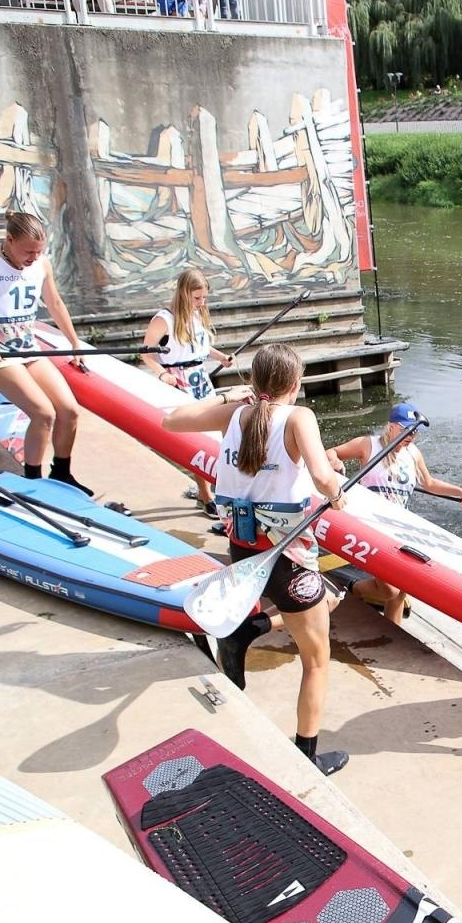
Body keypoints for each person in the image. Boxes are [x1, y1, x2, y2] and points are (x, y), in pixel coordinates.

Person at [162, 343, 351, 775]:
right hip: (289, 559)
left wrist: (230, 396)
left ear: (254, 380)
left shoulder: (235, 414)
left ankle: (247, 629)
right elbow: (323, 477)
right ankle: (307, 756)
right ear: (296, 382)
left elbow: (171, 420)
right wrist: (337, 494)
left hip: (243, 549)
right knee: (317, 660)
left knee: (325, 600)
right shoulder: (299, 417)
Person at [0, 211, 93, 496]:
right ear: (9, 240)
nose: (34, 257)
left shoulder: (41, 264)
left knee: (69, 410)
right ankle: (31, 482)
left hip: (26, 347)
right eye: (28, 251)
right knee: (43, 413)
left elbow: (55, 304)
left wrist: (74, 343)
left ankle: (62, 473)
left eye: (39, 251)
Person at [324, 403, 462, 624]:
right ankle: (352, 587)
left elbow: (429, 483)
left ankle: (392, 631)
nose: (411, 436)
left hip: (399, 526)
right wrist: (334, 461)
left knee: (402, 589)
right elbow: (331, 452)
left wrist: (459, 491)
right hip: (371, 526)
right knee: (390, 590)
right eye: (406, 430)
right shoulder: (368, 445)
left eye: (415, 432)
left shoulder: (413, 453)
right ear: (391, 426)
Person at [142, 269, 232, 515]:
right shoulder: (164, 319)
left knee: (216, 431)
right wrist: (162, 374)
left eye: (204, 298)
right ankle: (205, 494)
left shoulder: (196, 314)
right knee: (196, 435)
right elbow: (146, 353)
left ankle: (216, 486)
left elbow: (200, 346)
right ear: (184, 293)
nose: (201, 303)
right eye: (197, 298)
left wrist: (221, 357)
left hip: (200, 379)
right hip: (179, 382)